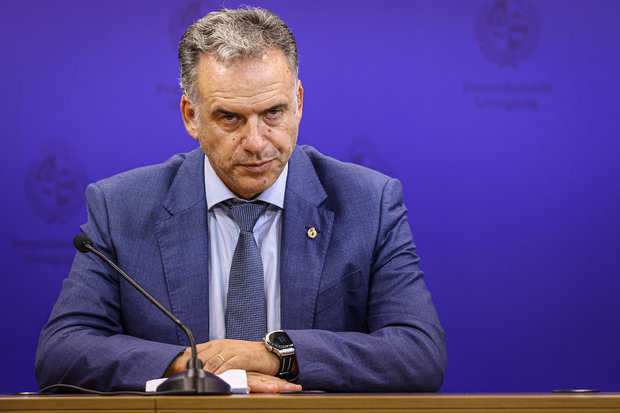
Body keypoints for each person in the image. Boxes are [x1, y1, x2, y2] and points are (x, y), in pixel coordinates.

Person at [35, 7, 446, 393]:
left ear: (298, 103)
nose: (256, 142)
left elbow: (419, 352)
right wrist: (189, 366)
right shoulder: (120, 207)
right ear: (191, 117)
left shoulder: (368, 202)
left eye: (273, 113)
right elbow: (61, 351)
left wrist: (276, 355)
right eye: (230, 117)